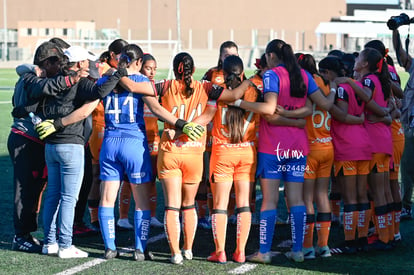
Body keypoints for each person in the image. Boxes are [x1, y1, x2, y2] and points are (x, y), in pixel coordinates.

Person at [97, 45, 205, 260]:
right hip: (134, 143)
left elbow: (91, 100)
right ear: (138, 62)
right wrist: (182, 124)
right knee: (142, 200)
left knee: (107, 198)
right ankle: (139, 248)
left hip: (109, 141)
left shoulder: (104, 79)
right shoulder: (142, 82)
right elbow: (156, 109)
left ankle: (110, 247)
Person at [233, 39, 335, 264]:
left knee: (269, 201)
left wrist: (239, 103)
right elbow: (325, 105)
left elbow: (269, 109)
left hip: (273, 148)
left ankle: (264, 252)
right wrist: (299, 117)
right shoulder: (304, 75)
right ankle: (298, 250)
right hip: (298, 146)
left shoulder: (271, 75)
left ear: (270, 56)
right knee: (297, 200)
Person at [154, 52, 252, 264]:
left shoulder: (164, 85)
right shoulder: (206, 87)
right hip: (195, 153)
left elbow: (144, 92)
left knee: (172, 206)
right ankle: (188, 249)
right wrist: (251, 79)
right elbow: (232, 98)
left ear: (174, 67)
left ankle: (175, 253)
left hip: (171, 150)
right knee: (189, 205)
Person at [39, 45, 128, 259]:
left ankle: (49, 242)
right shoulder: (80, 82)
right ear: (79, 64)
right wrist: (118, 74)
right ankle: (66, 245)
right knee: (69, 197)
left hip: (51, 145)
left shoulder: (55, 80)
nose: (89, 65)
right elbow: (100, 91)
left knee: (52, 196)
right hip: (71, 144)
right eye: (86, 61)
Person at [8, 42, 66, 253]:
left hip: (33, 140)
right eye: (57, 63)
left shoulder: (33, 76)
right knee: (25, 190)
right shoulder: (30, 79)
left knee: (34, 189)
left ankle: (27, 232)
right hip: (26, 140)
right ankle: (20, 236)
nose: (60, 67)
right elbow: (37, 94)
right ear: (46, 62)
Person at [203, 55, 260, 264]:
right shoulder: (254, 90)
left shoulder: (218, 91)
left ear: (224, 73)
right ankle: (241, 252)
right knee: (244, 204)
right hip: (246, 151)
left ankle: (220, 252)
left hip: (222, 152)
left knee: (220, 205)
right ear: (242, 72)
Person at [318, 56, 371, 254]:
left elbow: (341, 114)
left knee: (350, 197)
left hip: (347, 145)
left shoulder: (339, 89)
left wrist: (325, 102)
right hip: (363, 144)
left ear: (328, 72)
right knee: (361, 194)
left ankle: (351, 241)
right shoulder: (356, 85)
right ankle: (362, 238)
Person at [352, 47, 393, 250]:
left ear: (365, 64)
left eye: (359, 57)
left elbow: (366, 100)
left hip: (374, 142)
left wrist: (351, 83)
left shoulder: (368, 81)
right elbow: (392, 106)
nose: (357, 60)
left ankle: (382, 237)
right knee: (383, 191)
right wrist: (384, 115)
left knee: (375, 192)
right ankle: (388, 234)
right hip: (384, 141)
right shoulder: (381, 80)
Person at [198, 41, 240, 227]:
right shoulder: (211, 74)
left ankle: (230, 212)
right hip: (212, 134)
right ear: (220, 56)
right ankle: (207, 213)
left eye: (233, 54)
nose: (229, 58)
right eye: (226, 55)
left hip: (234, 136)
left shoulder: (242, 76)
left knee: (233, 179)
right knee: (209, 177)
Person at [296, 53, 334, 259]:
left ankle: (308, 247)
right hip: (327, 145)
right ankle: (324, 246)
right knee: (322, 195)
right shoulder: (326, 84)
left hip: (310, 148)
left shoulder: (306, 84)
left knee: (307, 198)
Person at [392, 29, 414, 221]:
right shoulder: (413, 66)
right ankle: (406, 206)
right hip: (409, 126)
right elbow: (401, 54)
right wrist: (396, 31)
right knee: (407, 169)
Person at [140, 53, 163, 228]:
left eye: (154, 69)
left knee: (152, 177)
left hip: (153, 138)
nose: (152, 72)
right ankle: (124, 217)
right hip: (138, 139)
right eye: (149, 68)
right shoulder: (135, 86)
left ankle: (153, 214)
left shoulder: (156, 88)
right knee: (132, 179)